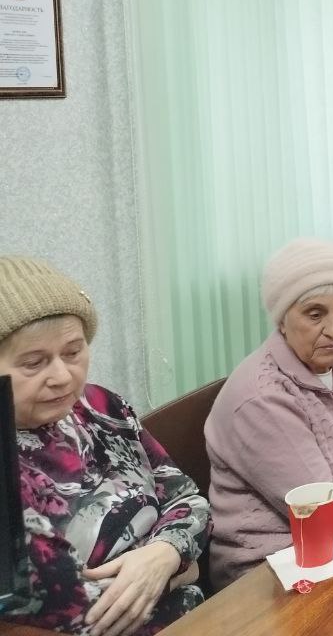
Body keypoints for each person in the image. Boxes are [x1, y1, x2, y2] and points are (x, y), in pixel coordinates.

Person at [0, 257, 210, 636]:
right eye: (33, 363)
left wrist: (164, 553)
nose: (62, 376)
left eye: (73, 352)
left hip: (199, 615)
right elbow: (80, 613)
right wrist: (184, 567)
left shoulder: (101, 407)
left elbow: (189, 500)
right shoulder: (7, 467)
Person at [206, 239, 333, 587]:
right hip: (276, 567)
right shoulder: (262, 397)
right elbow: (325, 510)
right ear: (282, 320)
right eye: (315, 314)